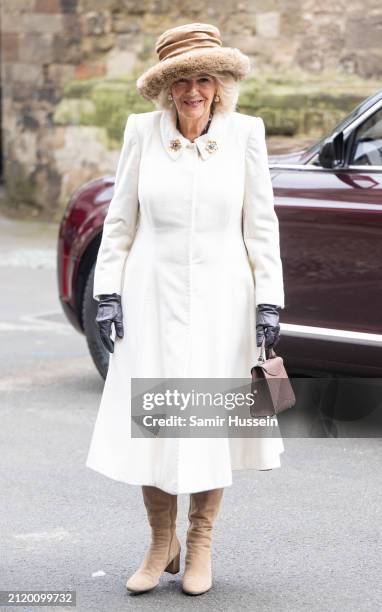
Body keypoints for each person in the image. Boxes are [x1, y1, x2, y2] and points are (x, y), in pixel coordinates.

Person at [86, 22, 285, 596]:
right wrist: (107, 293)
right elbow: (120, 221)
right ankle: (159, 542)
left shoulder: (247, 133)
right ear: (165, 89)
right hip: (151, 294)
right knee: (155, 418)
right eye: (181, 82)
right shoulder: (139, 133)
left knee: (212, 421)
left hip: (227, 297)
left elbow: (261, 225)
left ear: (219, 84)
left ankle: (199, 544)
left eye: (203, 78)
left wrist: (270, 299)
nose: (193, 91)